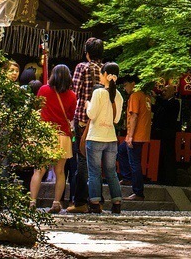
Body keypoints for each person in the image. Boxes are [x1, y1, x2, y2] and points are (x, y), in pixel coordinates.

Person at [30, 64, 76, 213]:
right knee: (60, 171)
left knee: (39, 170)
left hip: (45, 134)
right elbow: (70, 116)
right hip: (62, 135)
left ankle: (32, 201)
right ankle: (56, 202)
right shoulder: (71, 95)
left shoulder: (43, 90)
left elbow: (37, 108)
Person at [66, 37, 104, 213]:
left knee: (82, 159)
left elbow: (74, 92)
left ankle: (80, 201)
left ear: (87, 53)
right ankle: (97, 201)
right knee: (97, 160)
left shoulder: (83, 67)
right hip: (101, 120)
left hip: (82, 117)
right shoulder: (105, 69)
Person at [86, 61, 124, 214]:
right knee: (111, 172)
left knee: (94, 171)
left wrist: (87, 105)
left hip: (95, 137)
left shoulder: (98, 93)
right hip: (111, 138)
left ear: (106, 76)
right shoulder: (119, 95)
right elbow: (116, 120)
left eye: (101, 74)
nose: (100, 77)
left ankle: (95, 203)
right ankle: (117, 202)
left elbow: (91, 114)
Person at [124, 77, 153, 201]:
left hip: (135, 135)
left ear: (133, 84)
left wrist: (130, 135)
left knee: (134, 163)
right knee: (122, 151)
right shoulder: (145, 96)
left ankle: (138, 192)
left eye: (126, 85)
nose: (125, 88)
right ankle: (127, 178)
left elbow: (134, 115)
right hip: (142, 133)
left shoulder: (135, 96)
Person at [151, 82, 180, 185]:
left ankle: (170, 179)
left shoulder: (175, 103)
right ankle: (161, 178)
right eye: (163, 90)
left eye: (166, 90)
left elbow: (167, 107)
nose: (163, 92)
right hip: (159, 133)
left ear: (172, 92)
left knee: (168, 156)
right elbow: (156, 109)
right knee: (160, 156)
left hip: (168, 134)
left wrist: (157, 97)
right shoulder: (163, 102)